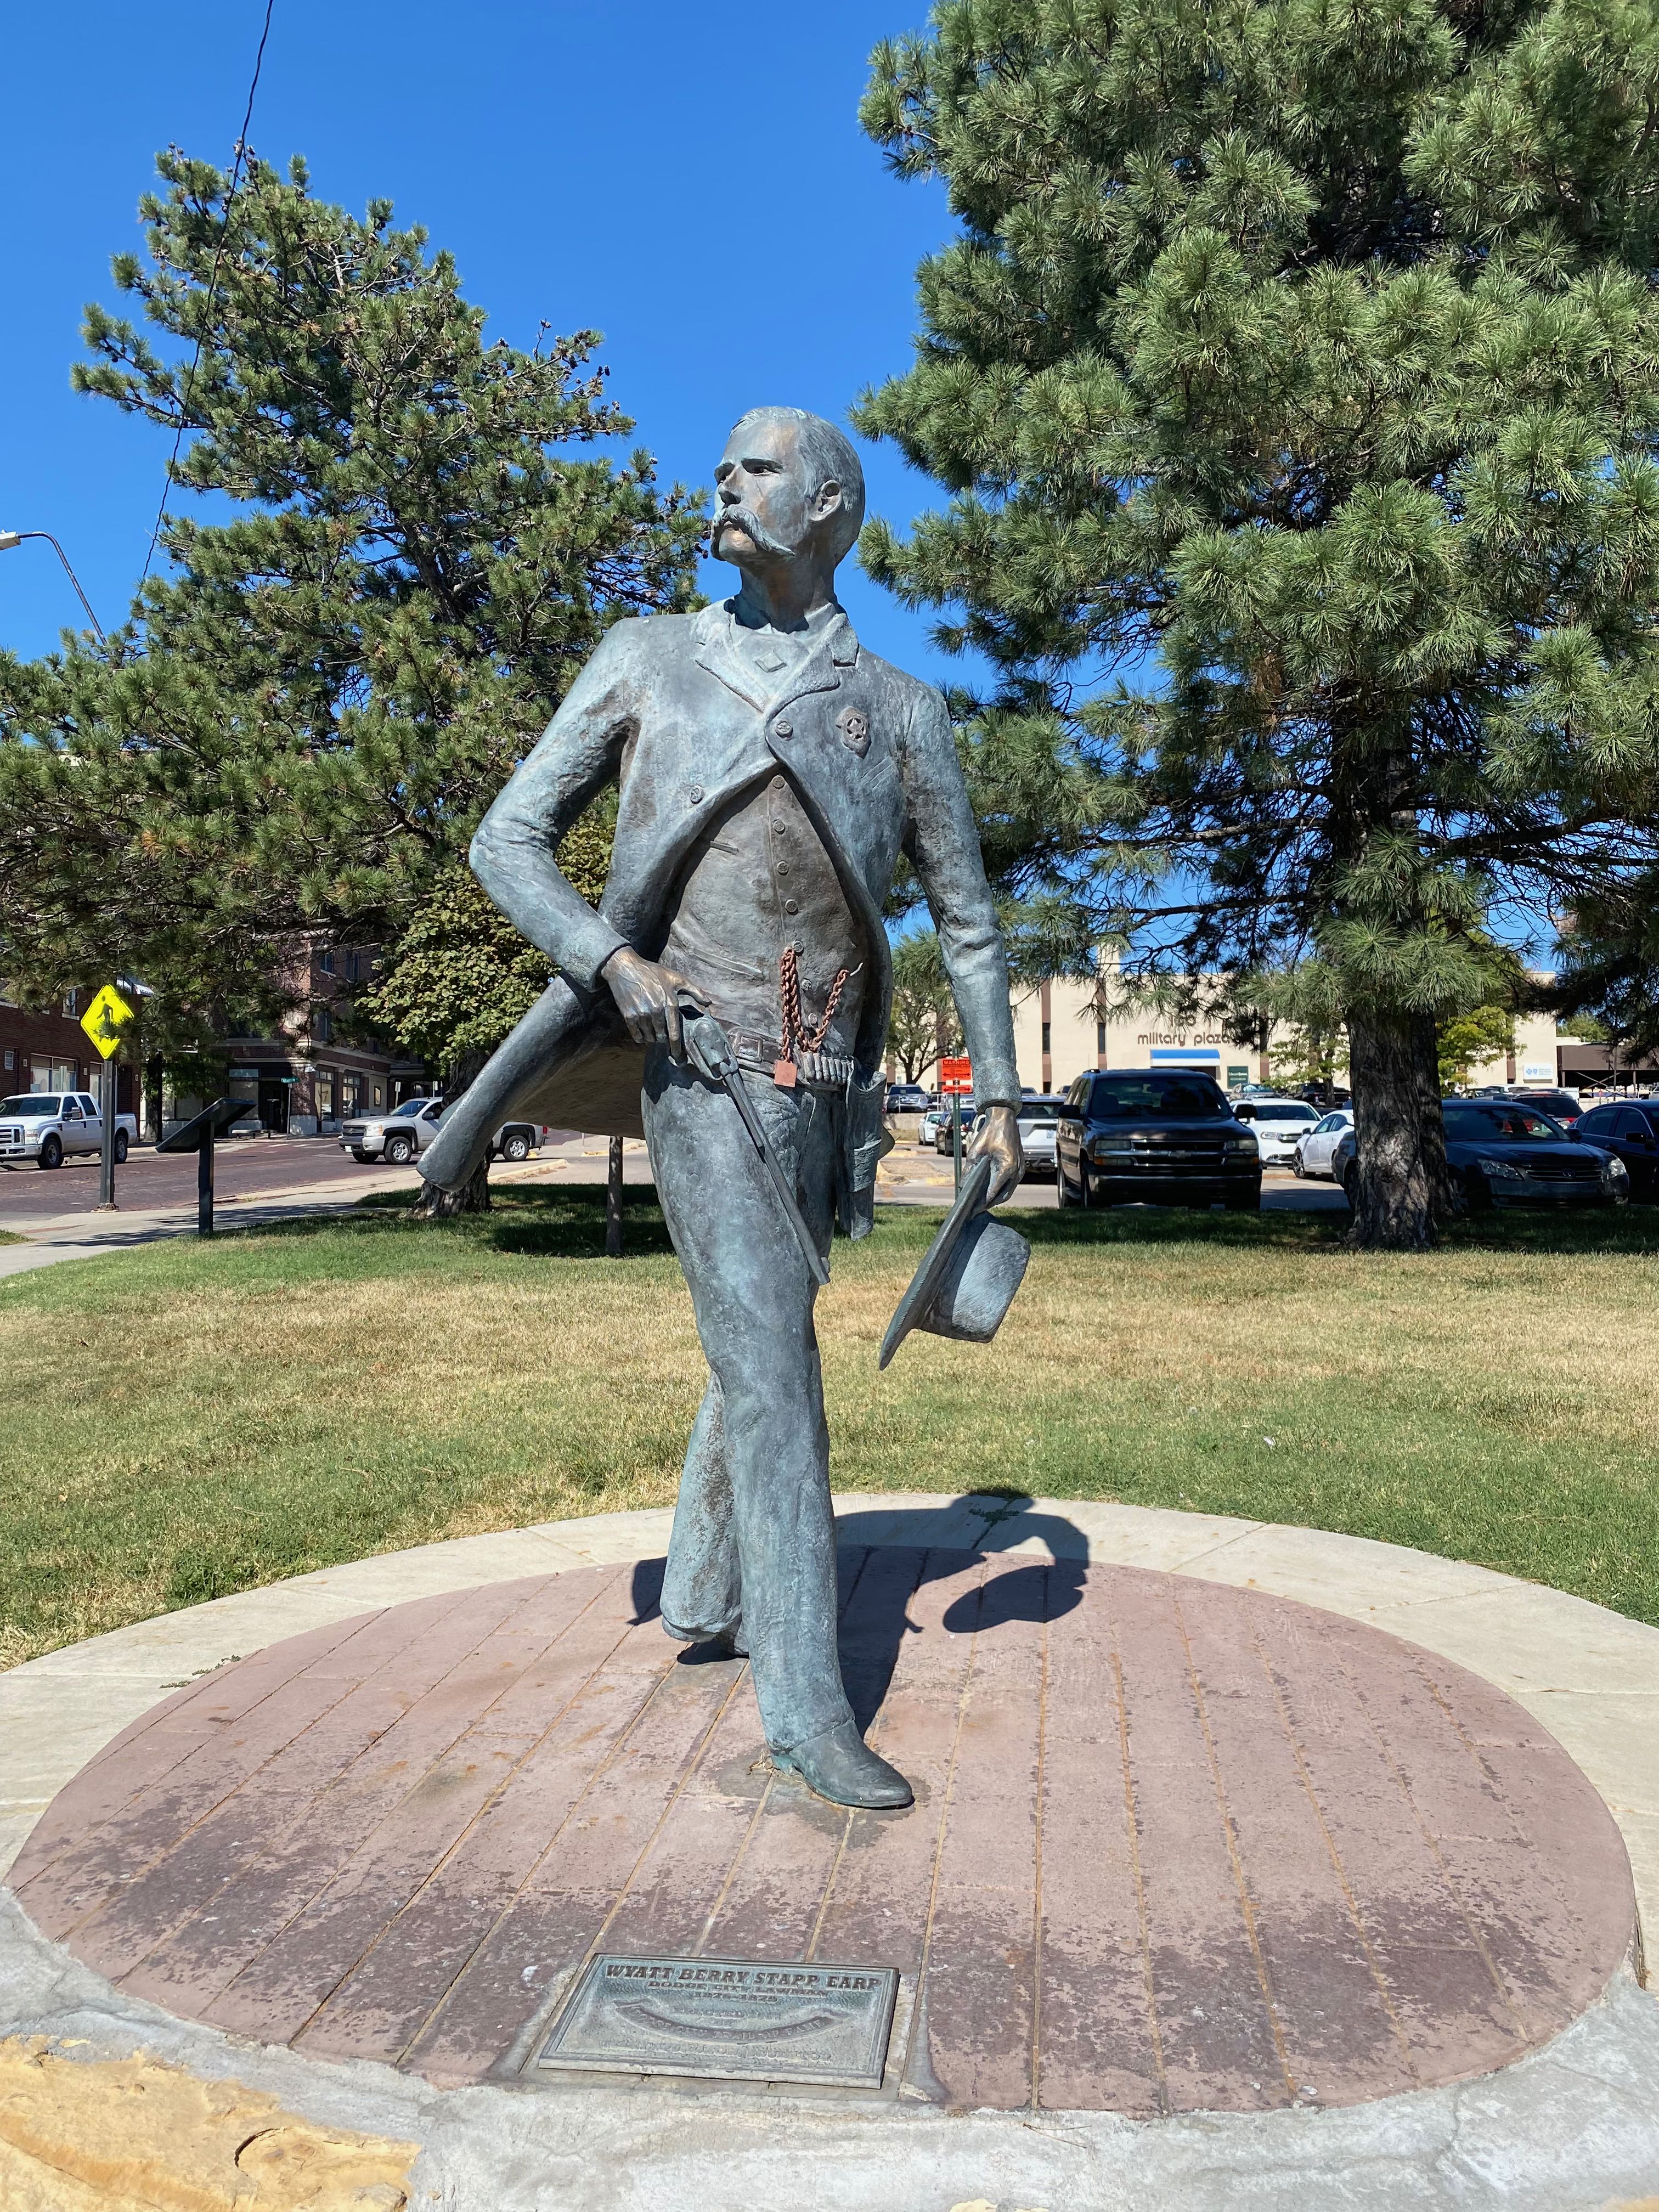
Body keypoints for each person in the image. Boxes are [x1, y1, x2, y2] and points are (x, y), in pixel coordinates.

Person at [420, 405, 1023, 1807]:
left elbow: (970, 921)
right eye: (725, 466)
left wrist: (998, 1093)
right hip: (693, 1060)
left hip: (827, 1086)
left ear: (828, 507)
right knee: (773, 1369)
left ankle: (704, 1584)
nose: (723, 483)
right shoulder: (648, 660)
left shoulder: (900, 710)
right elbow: (507, 839)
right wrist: (608, 960)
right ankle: (807, 1708)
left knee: (768, 1332)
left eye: (756, 468)